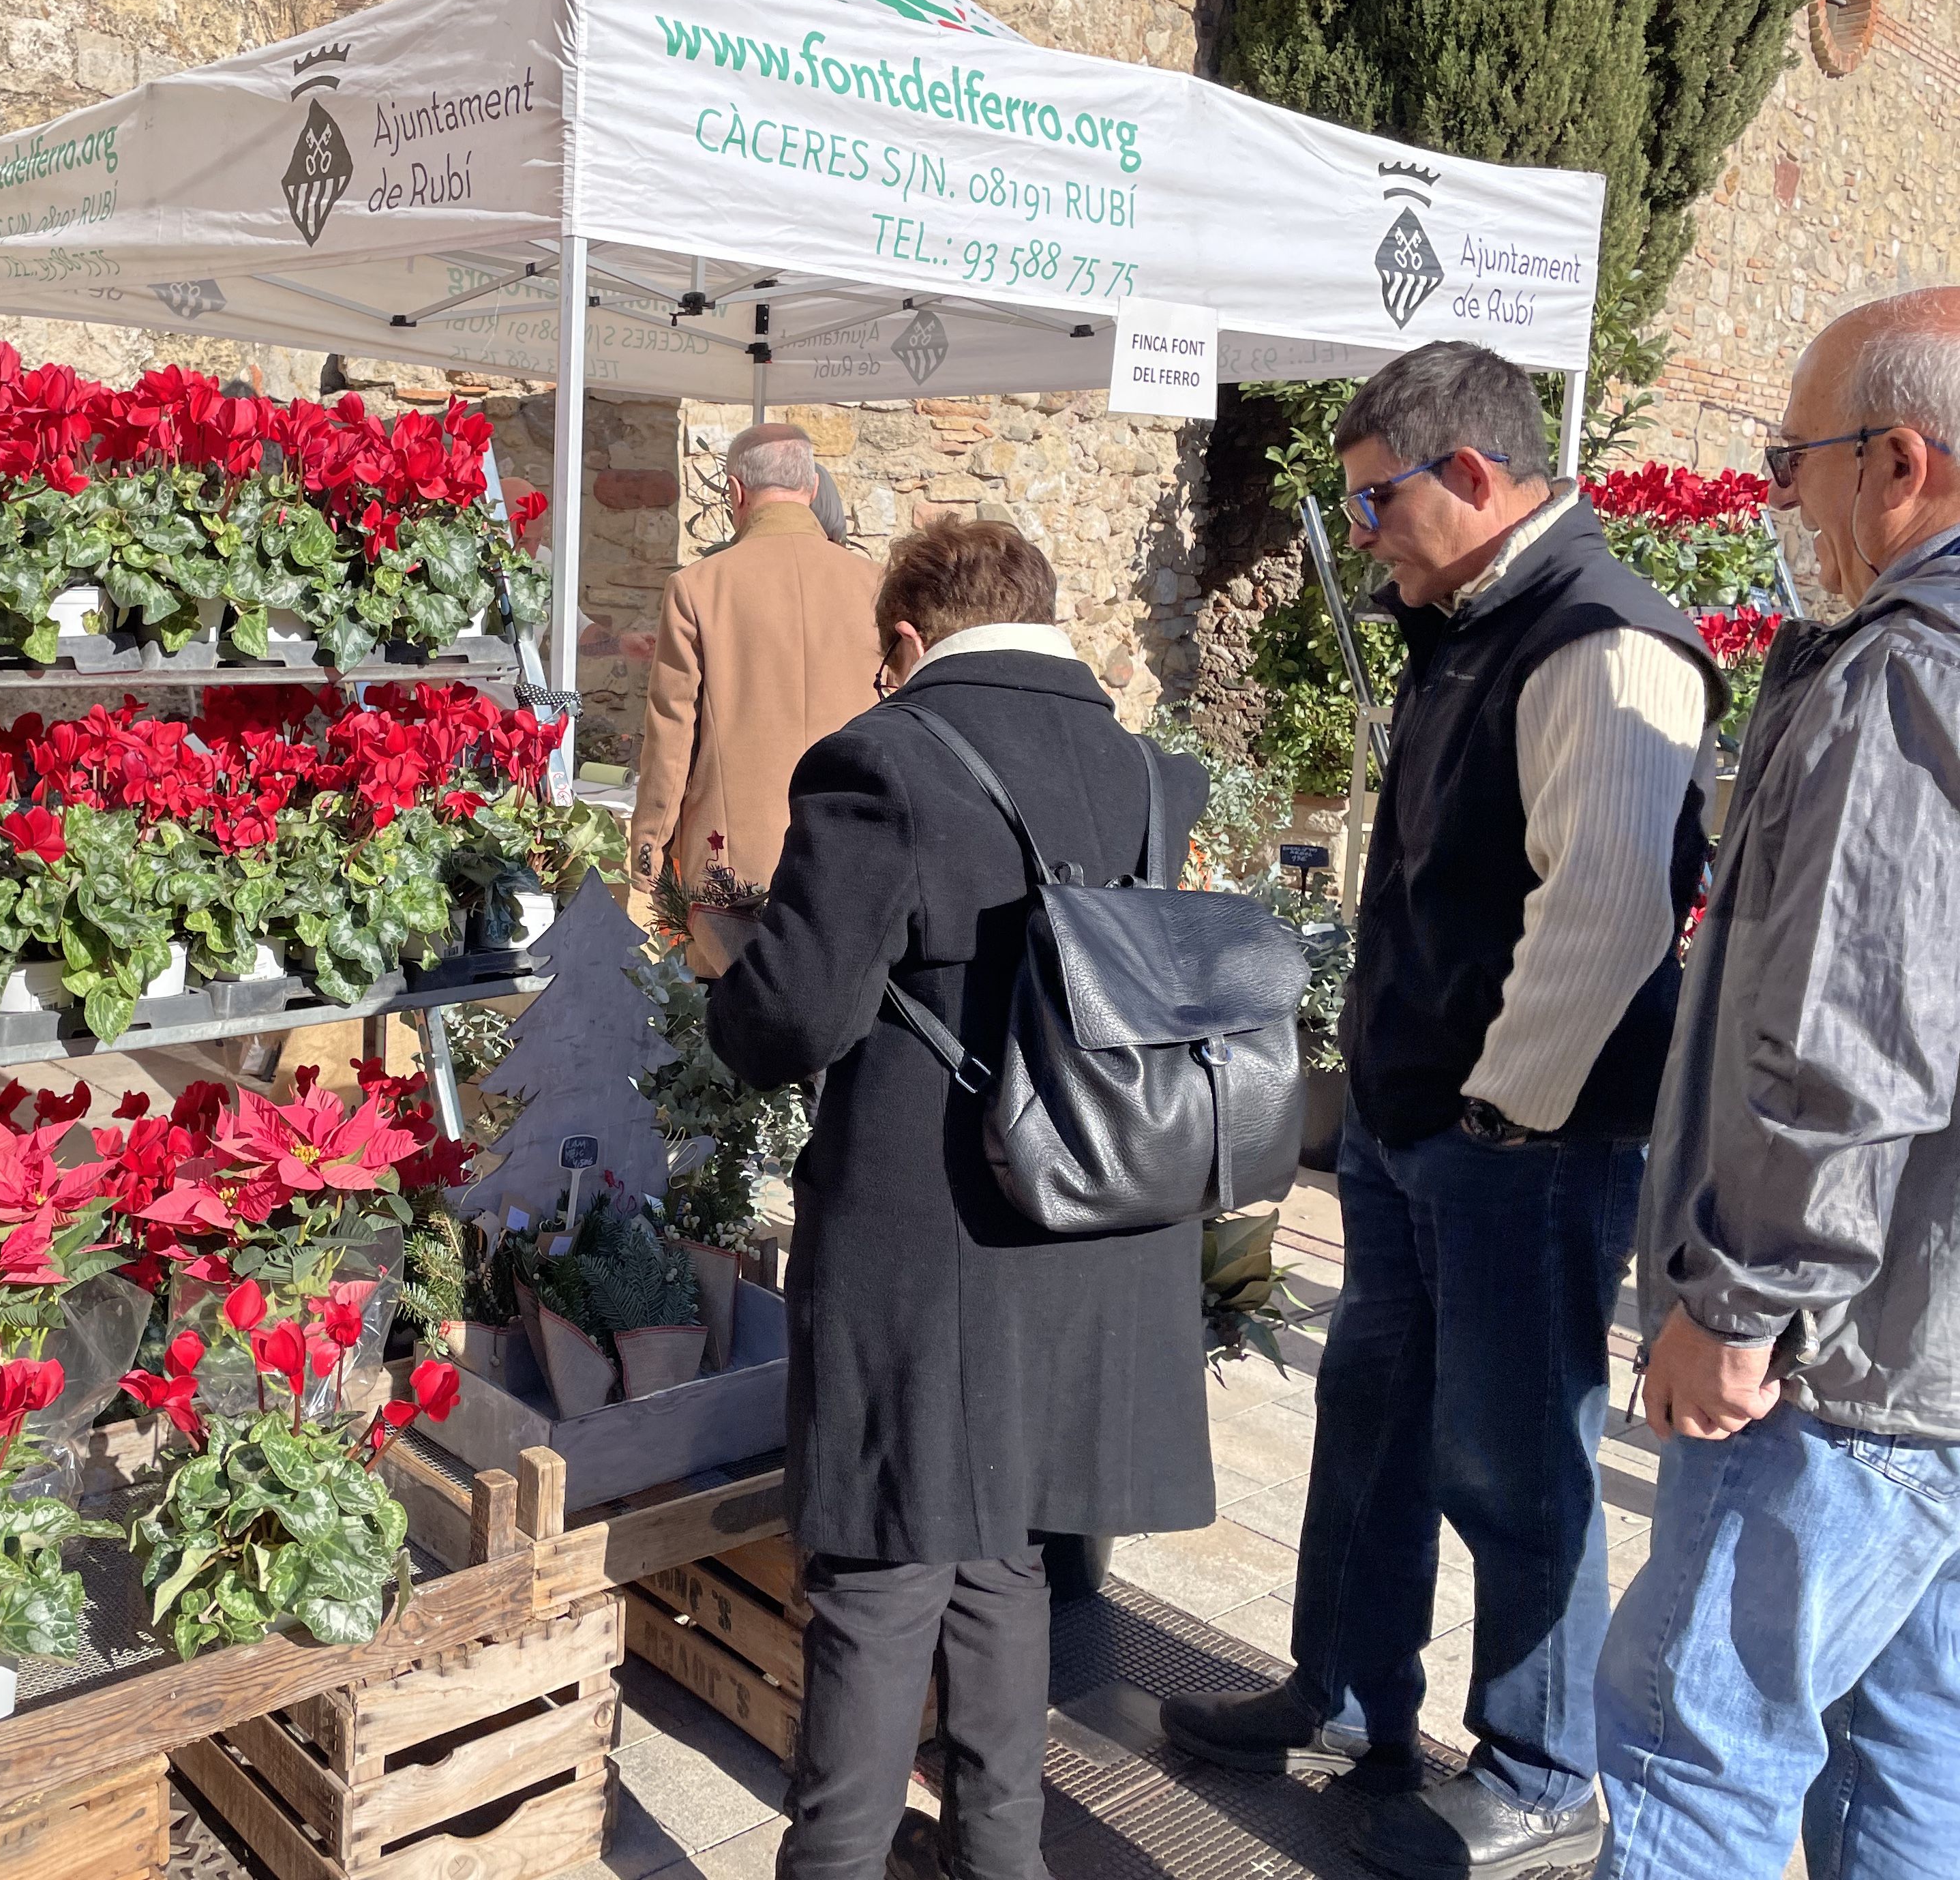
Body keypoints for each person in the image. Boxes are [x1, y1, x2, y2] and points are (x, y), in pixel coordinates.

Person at [1161, 341, 1723, 1879]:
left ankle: (1541, 1769)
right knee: (1374, 1424)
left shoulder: (1605, 641)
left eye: (1372, 502)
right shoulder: (1476, 622)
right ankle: (1346, 1698)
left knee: (1514, 1456)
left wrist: (1497, 1116)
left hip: (1517, 1146)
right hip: (1434, 1133)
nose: (1361, 537)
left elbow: (1608, 912)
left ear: (1471, 477)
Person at [708, 519, 1213, 1880]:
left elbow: (787, 1024)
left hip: (927, 1243)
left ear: (910, 643)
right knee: (1002, 1564)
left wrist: (730, 955)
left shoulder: (882, 762)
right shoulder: (1148, 774)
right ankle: (1003, 1861)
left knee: (878, 1579)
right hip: (1095, 1222)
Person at [1595, 288, 1960, 1880]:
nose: (1773, 493)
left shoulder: (1905, 679)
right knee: (1913, 1766)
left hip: (1847, 1358)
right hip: (1931, 1362)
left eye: (1790, 456)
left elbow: (1855, 1037)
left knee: (1696, 1748)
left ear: (1900, 461)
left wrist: (1742, 1303)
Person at [629, 423, 880, 908]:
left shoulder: (699, 586)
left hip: (735, 858)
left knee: (731, 981)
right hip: (857, 843)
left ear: (735, 491)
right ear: (811, 489)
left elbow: (673, 731)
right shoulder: (875, 585)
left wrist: (649, 846)